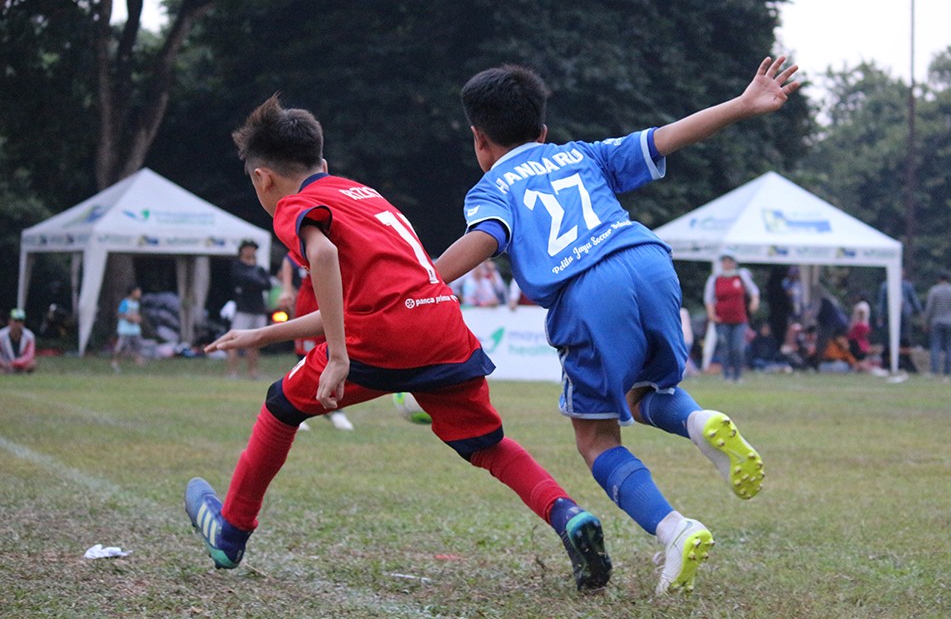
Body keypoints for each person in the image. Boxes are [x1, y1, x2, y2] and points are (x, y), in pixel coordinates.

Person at [185, 95, 611, 592]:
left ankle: (230, 533)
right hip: (441, 324)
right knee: (489, 446)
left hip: (380, 339)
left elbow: (322, 258)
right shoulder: (362, 195)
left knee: (280, 407)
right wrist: (262, 334)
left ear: (263, 179)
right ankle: (568, 515)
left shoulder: (293, 203)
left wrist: (339, 358)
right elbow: (365, 300)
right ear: (323, 164)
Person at [434, 56, 798, 593]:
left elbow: (483, 240)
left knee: (596, 439)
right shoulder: (581, 155)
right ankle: (699, 423)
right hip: (648, 260)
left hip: (586, 292)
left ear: (478, 140)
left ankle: (675, 530)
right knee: (644, 390)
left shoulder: (491, 189)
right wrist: (744, 104)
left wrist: (418, 282)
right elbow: (667, 137)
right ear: (542, 131)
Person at [278, 254, 354, 432]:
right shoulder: (312, 239)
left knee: (337, 355)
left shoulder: (344, 243)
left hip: (337, 303)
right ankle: (296, 409)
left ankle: (335, 408)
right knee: (305, 358)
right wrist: (287, 288)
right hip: (310, 303)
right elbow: (289, 259)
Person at [703, 253, 760, 382]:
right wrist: (711, 314)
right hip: (722, 319)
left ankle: (738, 375)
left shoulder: (740, 276)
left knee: (738, 348)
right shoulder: (715, 279)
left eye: (730, 261)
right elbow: (709, 298)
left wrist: (754, 301)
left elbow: (754, 291)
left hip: (739, 319)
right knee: (725, 347)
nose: (727, 264)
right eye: (725, 262)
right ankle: (726, 375)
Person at [227, 239, 272, 379]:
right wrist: (255, 282)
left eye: (252, 248)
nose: (250, 251)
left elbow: (267, 284)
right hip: (243, 309)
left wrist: (255, 282)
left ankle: (253, 371)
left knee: (254, 343)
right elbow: (243, 279)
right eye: (247, 248)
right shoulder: (237, 266)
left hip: (258, 309)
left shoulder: (259, 269)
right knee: (234, 341)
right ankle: (232, 372)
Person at [876, 271, 922, 373]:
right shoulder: (888, 285)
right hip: (894, 316)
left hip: (899, 316)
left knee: (899, 340)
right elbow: (882, 301)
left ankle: (902, 363)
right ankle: (891, 363)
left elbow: (913, 300)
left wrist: (919, 312)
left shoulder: (900, 286)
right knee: (894, 340)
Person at [923, 272, 951, 376]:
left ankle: (935, 370)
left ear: (939, 279)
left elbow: (929, 308)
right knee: (950, 347)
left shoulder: (934, 290)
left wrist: (926, 322)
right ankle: (948, 370)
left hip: (936, 321)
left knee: (935, 346)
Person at [111, 285, 144, 372]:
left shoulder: (136, 303)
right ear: (133, 292)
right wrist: (129, 317)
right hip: (125, 328)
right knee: (121, 346)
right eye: (138, 291)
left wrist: (138, 318)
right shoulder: (125, 302)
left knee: (138, 344)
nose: (139, 293)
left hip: (134, 328)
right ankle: (115, 361)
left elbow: (136, 314)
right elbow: (119, 314)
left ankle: (138, 360)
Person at [0, 308, 36, 374]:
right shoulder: (1, 335)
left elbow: (29, 355)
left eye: (20, 321)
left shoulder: (29, 336)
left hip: (20, 363)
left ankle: (13, 371)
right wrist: (3, 363)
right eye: (15, 321)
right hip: (4, 362)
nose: (18, 324)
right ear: (10, 321)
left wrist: (15, 363)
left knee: (32, 364)